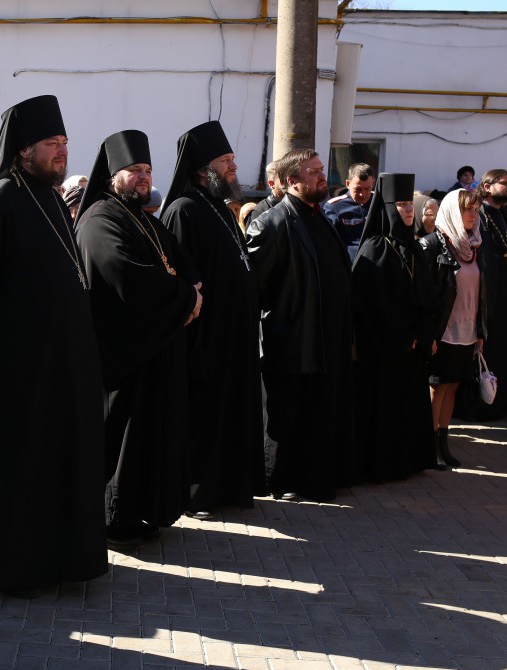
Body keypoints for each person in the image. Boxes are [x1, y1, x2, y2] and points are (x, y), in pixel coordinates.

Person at [0, 95, 107, 592]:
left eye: (64, 142)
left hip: (63, 366)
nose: (62, 151)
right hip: (16, 371)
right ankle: (14, 567)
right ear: (23, 150)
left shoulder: (51, 199)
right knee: (20, 471)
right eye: (51, 143)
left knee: (58, 466)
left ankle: (60, 559)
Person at [75, 129, 201, 547]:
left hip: (155, 347)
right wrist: (186, 298)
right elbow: (124, 276)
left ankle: (146, 509)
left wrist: (191, 289)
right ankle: (115, 519)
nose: (144, 177)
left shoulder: (144, 219)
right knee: (124, 438)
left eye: (147, 169)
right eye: (134, 170)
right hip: (123, 355)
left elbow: (181, 260)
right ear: (112, 176)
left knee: (153, 436)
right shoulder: (100, 219)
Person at [161, 120, 264, 516]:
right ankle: (198, 494)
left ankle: (230, 488)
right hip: (206, 336)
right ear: (204, 169)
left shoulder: (219, 208)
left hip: (234, 333)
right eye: (225, 161)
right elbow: (180, 276)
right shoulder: (183, 210)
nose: (233, 167)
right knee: (205, 416)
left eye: (232, 159)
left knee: (231, 412)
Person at [246, 149, 357, 501]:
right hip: (293, 339)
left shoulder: (321, 217)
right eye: (314, 171)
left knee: (321, 411)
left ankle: (320, 478)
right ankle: (282, 481)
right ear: (292, 181)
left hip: (328, 339)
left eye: (322, 169)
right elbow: (255, 289)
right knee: (289, 415)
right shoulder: (272, 223)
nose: (322, 176)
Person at [351, 173, 438, 481]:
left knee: (409, 405)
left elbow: (429, 298)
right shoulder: (375, 248)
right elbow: (371, 306)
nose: (408, 210)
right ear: (388, 208)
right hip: (383, 349)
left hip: (412, 346)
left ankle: (409, 461)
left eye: (409, 204)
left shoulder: (415, 248)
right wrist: (402, 337)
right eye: (401, 204)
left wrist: (422, 335)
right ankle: (381, 465)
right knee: (383, 407)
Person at [419, 189, 485, 468]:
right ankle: (428, 446)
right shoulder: (432, 245)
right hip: (443, 331)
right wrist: (429, 334)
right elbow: (426, 295)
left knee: (453, 386)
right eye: (467, 209)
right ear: (452, 212)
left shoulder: (475, 245)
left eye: (476, 210)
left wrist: (480, 332)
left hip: (467, 331)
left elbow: (480, 293)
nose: (473, 215)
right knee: (437, 386)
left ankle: (443, 443)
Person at [465, 169, 507, 420]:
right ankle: (475, 407)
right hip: (483, 298)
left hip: (504, 300)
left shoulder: (504, 215)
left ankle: (495, 406)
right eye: (504, 183)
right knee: (480, 356)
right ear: (486, 186)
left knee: (499, 356)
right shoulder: (479, 215)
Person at [323, 162, 375, 260]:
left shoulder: (379, 203)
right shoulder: (334, 207)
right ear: (348, 184)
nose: (362, 194)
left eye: (367, 189)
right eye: (358, 189)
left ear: (373, 183)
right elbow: (328, 242)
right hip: (350, 264)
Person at [245, 159, 284, 227]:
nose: (289, 183)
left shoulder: (294, 207)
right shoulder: (259, 213)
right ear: (271, 184)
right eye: (283, 180)